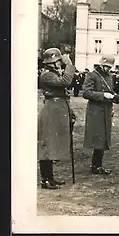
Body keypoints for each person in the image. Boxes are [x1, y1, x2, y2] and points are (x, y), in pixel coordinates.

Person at [37, 48, 76, 189]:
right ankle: (45, 180)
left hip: (57, 110)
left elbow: (63, 92)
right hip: (51, 112)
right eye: (59, 61)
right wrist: (70, 65)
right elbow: (65, 82)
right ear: (52, 61)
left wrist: (69, 111)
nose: (61, 63)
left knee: (52, 145)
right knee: (47, 146)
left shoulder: (53, 73)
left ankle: (50, 178)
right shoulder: (47, 75)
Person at [82, 54, 119, 175]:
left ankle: (98, 165)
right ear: (101, 64)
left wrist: (114, 97)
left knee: (104, 138)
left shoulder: (109, 76)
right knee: (98, 138)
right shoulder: (92, 75)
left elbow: (109, 90)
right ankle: (95, 166)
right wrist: (103, 95)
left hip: (106, 110)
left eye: (110, 67)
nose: (108, 69)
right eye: (106, 67)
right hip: (96, 111)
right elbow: (86, 93)